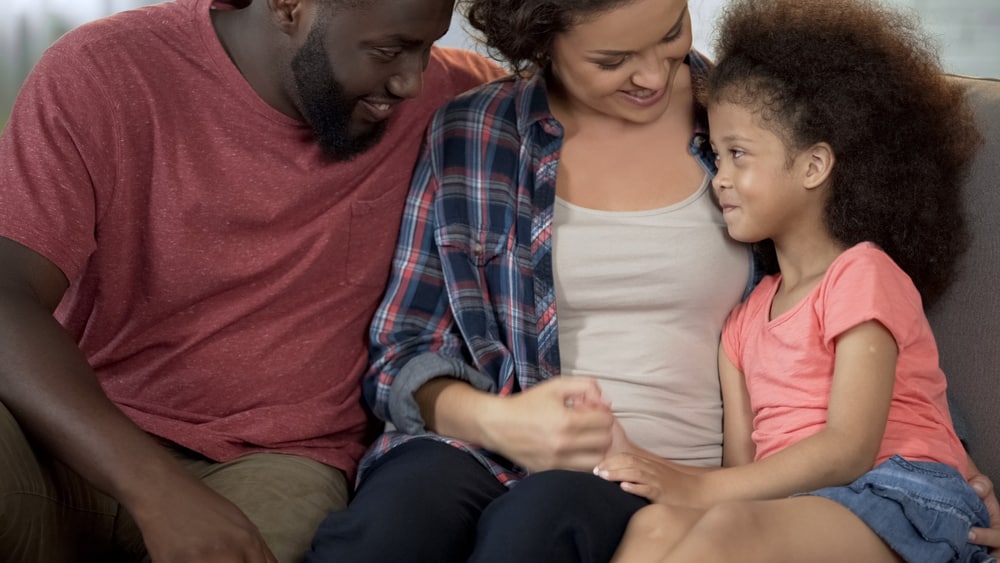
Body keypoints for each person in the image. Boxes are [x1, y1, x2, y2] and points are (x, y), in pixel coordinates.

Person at [0, 0, 502, 560]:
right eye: (389, 50)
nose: (413, 81)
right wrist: (154, 488)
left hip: (278, 460)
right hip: (76, 437)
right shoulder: (105, 72)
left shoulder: (455, 102)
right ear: (289, 7)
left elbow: (580, 83)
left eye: (428, 47)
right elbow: (6, 296)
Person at [305, 0, 752, 560]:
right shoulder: (475, 131)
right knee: (387, 528)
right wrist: (502, 422)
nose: (654, 74)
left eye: (670, 34)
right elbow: (404, 351)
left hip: (660, 471)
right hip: (478, 449)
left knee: (537, 523)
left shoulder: (757, 121)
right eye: (612, 60)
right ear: (540, 42)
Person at [600, 0, 995, 561]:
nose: (721, 179)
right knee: (654, 528)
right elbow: (745, 472)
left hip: (901, 489)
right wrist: (678, 486)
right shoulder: (741, 325)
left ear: (813, 166)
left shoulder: (862, 274)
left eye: (739, 154)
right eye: (716, 155)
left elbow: (849, 450)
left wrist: (694, 484)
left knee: (726, 528)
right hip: (794, 502)